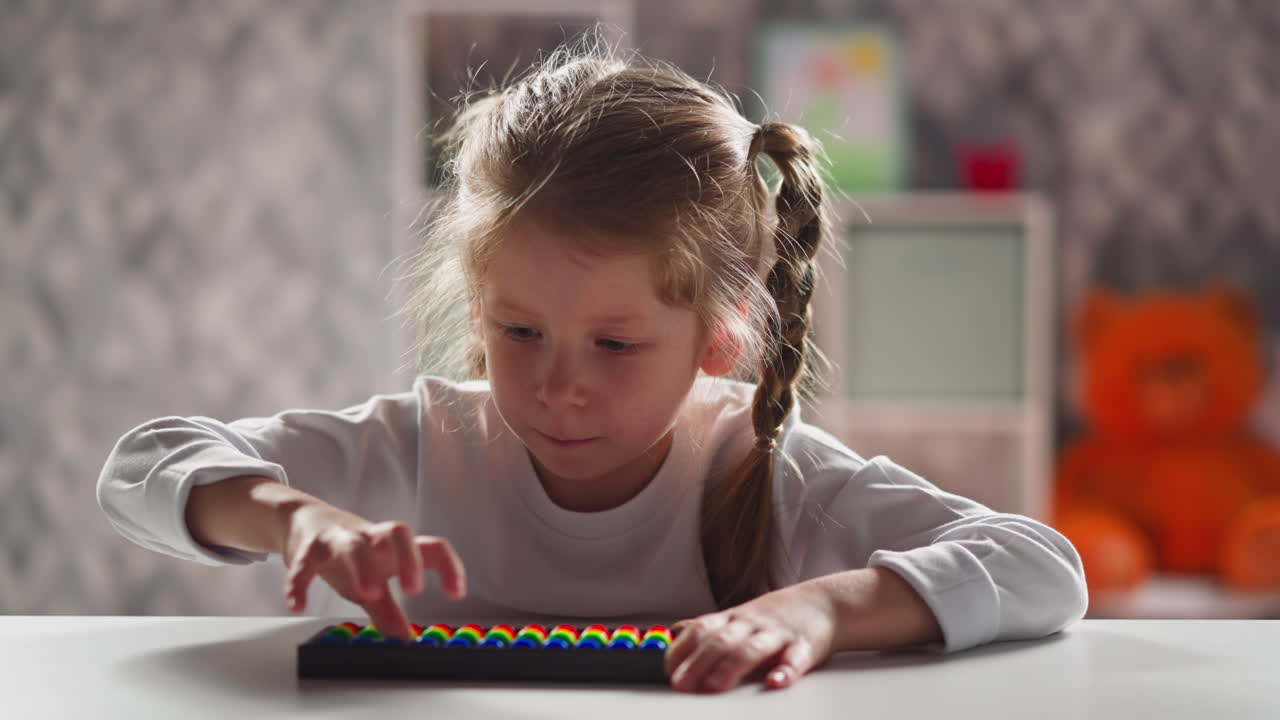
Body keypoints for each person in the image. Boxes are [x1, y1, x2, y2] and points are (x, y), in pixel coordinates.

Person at [97, 41, 1087, 694]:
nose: (559, 386)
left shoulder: (759, 468)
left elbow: (1042, 568)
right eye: (518, 332)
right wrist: (292, 517)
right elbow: (141, 467)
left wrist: (821, 605)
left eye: (614, 346)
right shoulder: (425, 446)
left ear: (719, 337)